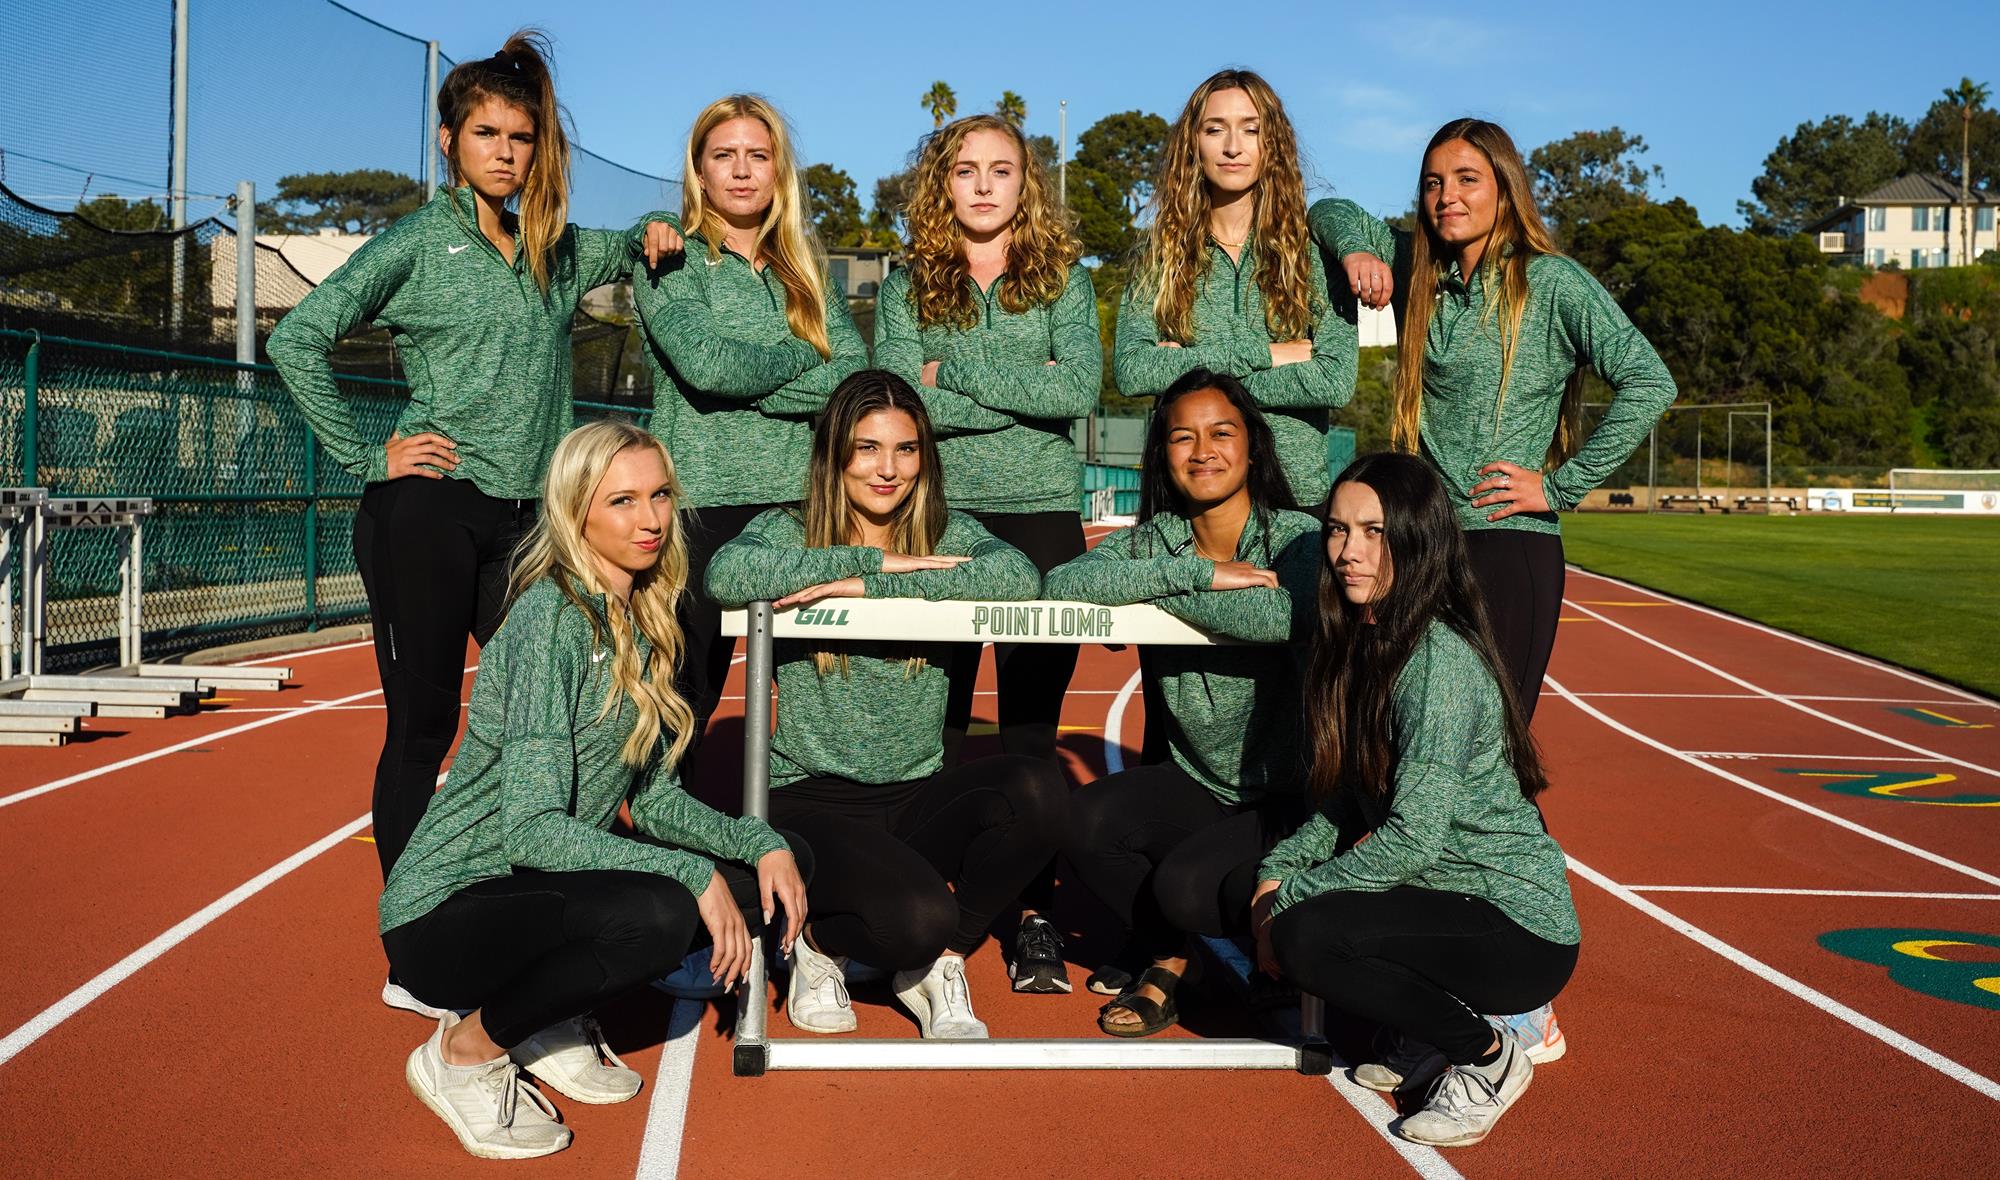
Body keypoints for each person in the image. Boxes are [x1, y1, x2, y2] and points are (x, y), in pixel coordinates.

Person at [267, 31, 683, 1009]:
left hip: (529, 525)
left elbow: (637, 243)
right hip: (427, 512)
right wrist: (368, 455)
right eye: (485, 133)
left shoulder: (555, 245)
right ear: (449, 140)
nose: (504, 150)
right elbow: (299, 338)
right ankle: (416, 948)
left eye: (522, 136)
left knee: (574, 709)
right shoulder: (418, 242)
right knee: (424, 728)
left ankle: (572, 907)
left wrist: (661, 225)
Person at [378, 420, 808, 1160]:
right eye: (622, 502)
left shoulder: (647, 617)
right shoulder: (551, 618)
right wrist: (687, 871)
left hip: (533, 888)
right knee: (658, 915)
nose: (650, 520)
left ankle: (545, 1018)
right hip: (448, 907)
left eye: (660, 496)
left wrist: (761, 843)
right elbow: (534, 831)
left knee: (760, 874)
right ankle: (465, 1052)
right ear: (577, 511)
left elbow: (659, 799)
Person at [705, 371, 1067, 1039]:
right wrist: (870, 566)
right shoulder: (786, 530)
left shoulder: (948, 530)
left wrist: (867, 586)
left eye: (905, 449)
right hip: (811, 799)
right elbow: (726, 574)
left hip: (914, 796)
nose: (887, 469)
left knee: (1041, 790)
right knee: (913, 921)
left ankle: (941, 960)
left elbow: (1019, 576)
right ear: (835, 452)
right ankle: (812, 941)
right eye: (867, 448)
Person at [1252, 451, 1579, 1149]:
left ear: (1418, 538)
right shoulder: (1363, 646)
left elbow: (1414, 839)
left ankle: (1489, 1058)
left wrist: (1289, 902)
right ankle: (1428, 1033)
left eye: (1374, 531)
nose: (1348, 551)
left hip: (1515, 925)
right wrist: (1276, 874)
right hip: (1446, 900)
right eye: (1338, 531)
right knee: (1277, 907)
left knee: (1307, 936)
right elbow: (1338, 806)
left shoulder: (1437, 664)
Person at [1310, 117, 1677, 715]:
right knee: (1404, 734)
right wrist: (1357, 250)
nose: (1446, 196)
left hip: (1506, 545)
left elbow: (1650, 381)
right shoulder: (1417, 273)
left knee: (1491, 753)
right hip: (1423, 545)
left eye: (1466, 179)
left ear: (1505, 188)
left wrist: (1562, 486)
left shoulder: (1552, 282)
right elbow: (1326, 211)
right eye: (1432, 183)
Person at [872, 112, 1103, 994]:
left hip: (1043, 517)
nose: (981, 184)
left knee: (1029, 735)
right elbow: (900, 404)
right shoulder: (907, 285)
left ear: (1024, 186)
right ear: (943, 183)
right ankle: (921, 901)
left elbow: (1077, 389)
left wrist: (954, 376)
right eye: (964, 169)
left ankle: (1030, 911)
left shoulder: (1065, 284)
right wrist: (1021, 394)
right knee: (936, 724)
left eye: (1000, 170)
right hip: (941, 519)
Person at [1046, 368, 1319, 1037]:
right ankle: (1179, 961)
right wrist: (1197, 574)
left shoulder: (1298, 536)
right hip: (1198, 781)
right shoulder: (1157, 541)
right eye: (1182, 438)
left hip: (1286, 794)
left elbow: (1284, 615)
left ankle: (1191, 963)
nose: (1203, 451)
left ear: (1253, 445)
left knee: (1184, 887)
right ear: (1163, 455)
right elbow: (1062, 582)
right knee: (1081, 822)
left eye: (1221, 433)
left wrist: (1151, 592)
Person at [634, 93, 869, 770]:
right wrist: (806, 361)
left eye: (757, 156)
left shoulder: (807, 271)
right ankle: (657, 848)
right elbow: (707, 368)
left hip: (800, 510)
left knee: (810, 694)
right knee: (685, 699)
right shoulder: (668, 259)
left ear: (779, 171)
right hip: (700, 507)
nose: (741, 171)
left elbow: (854, 376)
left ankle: (794, 843)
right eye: (724, 156)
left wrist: (760, 388)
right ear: (699, 172)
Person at [1112, 68, 1357, 512]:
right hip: (1185, 506)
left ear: (1273, 143)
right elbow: (1133, 370)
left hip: (1296, 500)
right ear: (1194, 143)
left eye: (1251, 129)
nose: (1232, 146)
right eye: (1215, 129)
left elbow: (1335, 380)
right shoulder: (1158, 254)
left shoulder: (1313, 253)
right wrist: (1270, 354)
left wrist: (1188, 375)